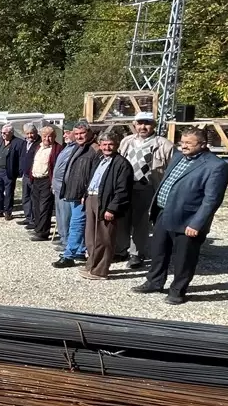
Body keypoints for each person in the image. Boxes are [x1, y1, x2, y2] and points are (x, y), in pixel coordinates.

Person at [133, 128, 228, 304]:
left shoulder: (216, 166)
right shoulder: (178, 157)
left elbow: (211, 200)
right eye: (182, 142)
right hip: (164, 212)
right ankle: (154, 281)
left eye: (188, 143)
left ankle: (177, 290)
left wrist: (197, 224)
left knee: (184, 258)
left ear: (202, 144)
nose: (183, 146)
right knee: (158, 251)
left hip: (188, 220)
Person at [118, 112, 175, 269]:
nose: (143, 127)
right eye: (140, 123)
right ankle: (121, 249)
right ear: (134, 124)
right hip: (125, 187)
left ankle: (136, 254)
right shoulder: (126, 142)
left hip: (147, 187)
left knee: (140, 222)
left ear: (154, 125)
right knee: (122, 220)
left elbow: (172, 169)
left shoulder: (164, 144)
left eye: (147, 123)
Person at [80, 130, 134, 281]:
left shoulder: (122, 164)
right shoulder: (99, 159)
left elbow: (123, 190)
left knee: (104, 238)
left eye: (110, 144)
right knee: (91, 236)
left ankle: (100, 271)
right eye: (104, 144)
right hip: (92, 197)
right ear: (100, 145)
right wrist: (85, 195)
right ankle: (91, 265)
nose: (107, 147)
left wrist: (112, 208)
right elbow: (92, 179)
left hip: (106, 202)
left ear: (116, 145)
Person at [53, 124, 99, 269]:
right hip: (73, 193)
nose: (79, 136)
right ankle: (79, 250)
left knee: (76, 225)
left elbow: (95, 176)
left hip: (83, 195)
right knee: (76, 224)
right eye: (77, 133)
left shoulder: (94, 150)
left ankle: (68, 256)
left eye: (82, 133)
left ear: (89, 133)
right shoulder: (78, 147)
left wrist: (85, 194)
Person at [50, 122, 85, 249]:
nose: (64, 134)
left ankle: (67, 242)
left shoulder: (77, 148)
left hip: (66, 188)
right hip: (58, 187)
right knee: (60, 215)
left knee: (67, 216)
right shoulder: (68, 146)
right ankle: (63, 237)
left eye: (67, 132)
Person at [28, 126, 62, 242]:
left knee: (44, 207)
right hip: (36, 180)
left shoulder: (57, 149)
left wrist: (54, 183)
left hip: (47, 180)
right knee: (36, 206)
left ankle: (43, 233)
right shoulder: (39, 147)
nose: (47, 138)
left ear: (54, 137)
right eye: (44, 136)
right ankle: (38, 228)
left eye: (50, 136)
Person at [0, 124, 25, 220]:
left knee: (9, 192)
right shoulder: (0, 140)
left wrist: (19, 172)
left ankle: (8, 212)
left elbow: (21, 158)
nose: (3, 134)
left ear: (11, 133)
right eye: (1, 132)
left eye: (5, 133)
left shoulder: (19, 142)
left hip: (9, 171)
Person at [19, 123, 41, 229]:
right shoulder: (25, 143)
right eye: (27, 133)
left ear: (36, 132)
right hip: (25, 174)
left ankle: (34, 219)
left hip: (34, 175)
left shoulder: (40, 143)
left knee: (34, 198)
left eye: (31, 133)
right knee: (26, 197)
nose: (30, 136)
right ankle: (28, 217)